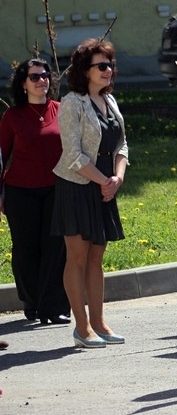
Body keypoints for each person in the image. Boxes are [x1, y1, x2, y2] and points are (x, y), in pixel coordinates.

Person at [52, 38, 128, 348]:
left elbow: (122, 144)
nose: (108, 70)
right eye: (101, 65)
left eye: (110, 64)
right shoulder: (72, 102)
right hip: (78, 186)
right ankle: (81, 328)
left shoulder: (110, 101)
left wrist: (117, 178)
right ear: (85, 70)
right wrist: (103, 181)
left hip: (105, 185)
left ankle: (99, 322)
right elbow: (72, 155)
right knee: (78, 257)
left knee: (97, 257)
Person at [0, 59, 70, 325]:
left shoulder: (63, 111)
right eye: (35, 77)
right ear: (23, 83)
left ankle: (54, 307)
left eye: (45, 76)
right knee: (26, 250)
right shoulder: (12, 116)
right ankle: (32, 302)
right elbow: (1, 155)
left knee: (56, 248)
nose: (42, 81)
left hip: (57, 189)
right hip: (20, 192)